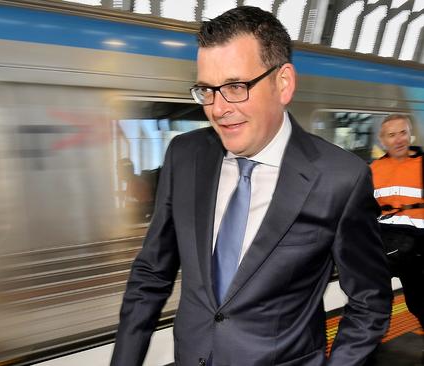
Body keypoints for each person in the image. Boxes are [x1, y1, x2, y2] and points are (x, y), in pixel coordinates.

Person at [111, 6, 391, 366]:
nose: (217, 108)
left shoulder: (340, 178)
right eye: (206, 90)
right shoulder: (185, 155)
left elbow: (369, 302)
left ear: (283, 83)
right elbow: (151, 273)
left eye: (234, 86)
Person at [370, 114, 424, 334]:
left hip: (420, 249)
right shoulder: (373, 170)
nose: (399, 139)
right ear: (382, 140)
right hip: (387, 244)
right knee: (373, 299)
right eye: (391, 135)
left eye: (403, 132)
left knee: (418, 303)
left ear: (410, 134)